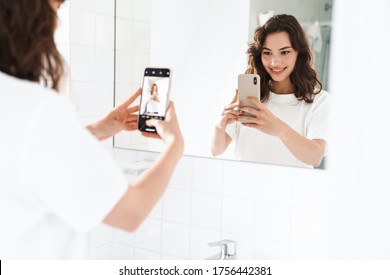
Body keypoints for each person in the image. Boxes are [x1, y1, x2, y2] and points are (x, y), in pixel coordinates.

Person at [0, 0, 184, 259]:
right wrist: (175, 145)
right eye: (56, 9)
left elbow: (22, 157)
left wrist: (97, 129)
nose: (56, 22)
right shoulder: (38, 109)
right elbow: (131, 212)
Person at [211, 14, 330, 168]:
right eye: (267, 53)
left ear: (298, 54)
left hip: (291, 191)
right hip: (241, 188)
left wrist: (277, 128)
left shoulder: (320, 101)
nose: (275, 62)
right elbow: (216, 150)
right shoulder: (249, 96)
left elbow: (315, 157)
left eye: (284, 52)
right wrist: (220, 125)